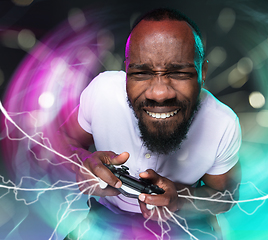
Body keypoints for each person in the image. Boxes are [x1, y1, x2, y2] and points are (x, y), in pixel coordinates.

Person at [59, 8, 242, 240]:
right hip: (106, 220)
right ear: (126, 71)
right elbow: (63, 141)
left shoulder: (222, 122)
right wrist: (82, 161)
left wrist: (180, 198)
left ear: (202, 72)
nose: (159, 93)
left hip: (181, 227)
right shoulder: (102, 91)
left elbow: (226, 196)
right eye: (141, 73)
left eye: (179, 73)